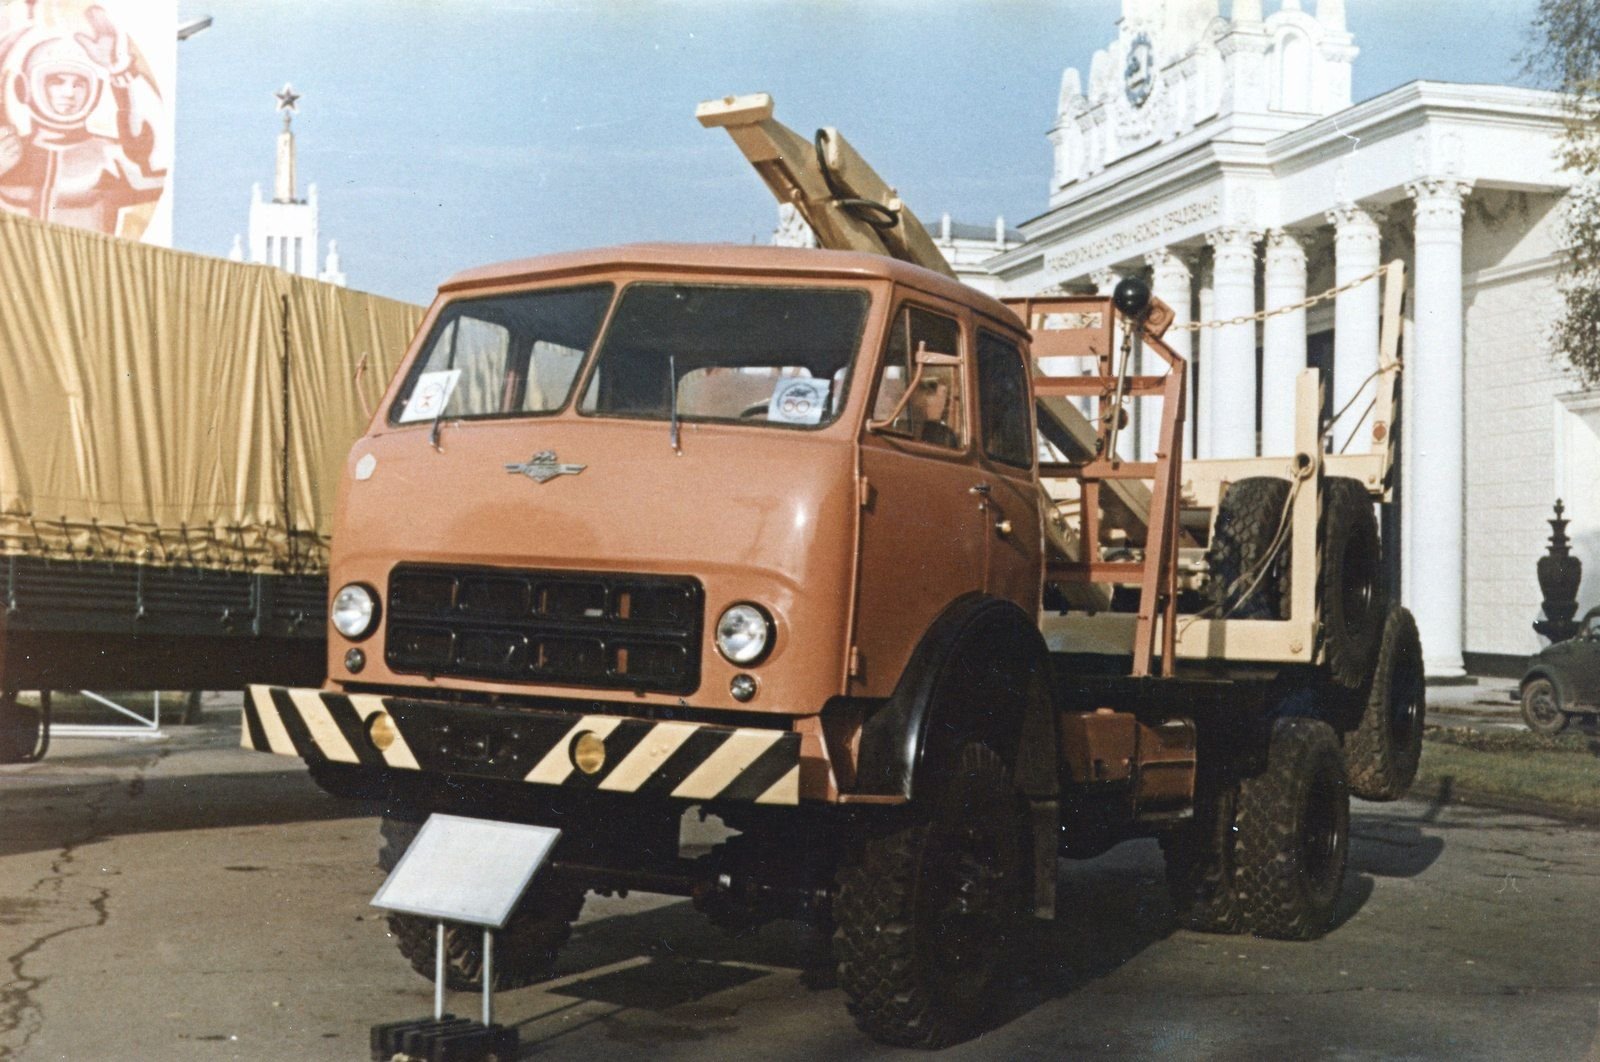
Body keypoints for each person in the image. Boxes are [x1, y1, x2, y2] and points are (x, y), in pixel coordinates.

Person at [0, 5, 166, 236]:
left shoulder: (107, 155)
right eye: (56, 81)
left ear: (95, 91)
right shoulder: (8, 152)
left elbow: (158, 160)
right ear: (24, 88)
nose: (69, 93)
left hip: (82, 261)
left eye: (79, 84)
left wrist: (121, 71)